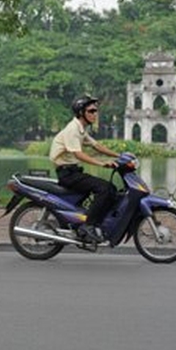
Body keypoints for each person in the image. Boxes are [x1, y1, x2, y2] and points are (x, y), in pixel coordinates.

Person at [49, 95, 119, 242]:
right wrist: (101, 163)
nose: (95, 114)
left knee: (111, 188)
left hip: (73, 172)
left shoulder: (81, 129)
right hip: (67, 174)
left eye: (96, 111)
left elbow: (97, 146)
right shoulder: (72, 129)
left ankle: (98, 223)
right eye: (91, 111)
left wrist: (120, 155)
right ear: (81, 113)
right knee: (104, 188)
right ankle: (88, 226)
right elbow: (78, 154)